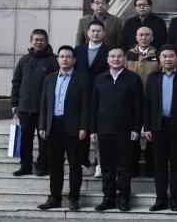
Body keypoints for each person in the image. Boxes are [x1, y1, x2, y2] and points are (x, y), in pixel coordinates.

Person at [89, 48, 143, 212]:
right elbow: (93, 106)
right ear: (107, 60)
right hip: (104, 130)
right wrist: (93, 129)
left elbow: (139, 105)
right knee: (107, 167)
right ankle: (108, 198)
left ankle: (123, 198)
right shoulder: (100, 79)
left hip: (125, 131)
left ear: (124, 59)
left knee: (124, 167)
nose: (116, 59)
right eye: (112, 56)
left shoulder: (133, 79)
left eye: (119, 56)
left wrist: (136, 128)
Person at [143, 45, 177, 212]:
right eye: (164, 56)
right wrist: (147, 126)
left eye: (171, 56)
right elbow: (147, 103)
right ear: (160, 58)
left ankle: (175, 199)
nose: (168, 59)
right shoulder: (153, 77)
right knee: (159, 165)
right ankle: (160, 199)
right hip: (158, 126)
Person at [36, 45, 87, 211]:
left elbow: (86, 105)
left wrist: (83, 126)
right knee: (55, 165)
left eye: (68, 56)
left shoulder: (82, 78)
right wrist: (42, 125)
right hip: (53, 126)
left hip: (73, 127)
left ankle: (73, 198)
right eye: (62, 56)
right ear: (57, 59)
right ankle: (55, 198)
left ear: (74, 60)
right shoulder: (49, 78)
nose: (65, 59)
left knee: (74, 165)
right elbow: (44, 103)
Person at [11, 29, 57, 177]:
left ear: (47, 41)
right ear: (31, 41)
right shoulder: (24, 60)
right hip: (25, 107)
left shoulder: (53, 60)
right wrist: (14, 103)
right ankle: (25, 166)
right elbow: (16, 82)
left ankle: (43, 166)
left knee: (44, 139)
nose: (39, 42)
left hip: (45, 109)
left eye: (42, 40)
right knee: (26, 138)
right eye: (36, 39)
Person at [74, 20, 108, 175]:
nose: (95, 33)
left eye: (99, 31)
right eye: (93, 31)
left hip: (102, 93)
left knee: (98, 129)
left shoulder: (109, 51)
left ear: (104, 33)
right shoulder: (78, 50)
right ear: (87, 33)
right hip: (81, 93)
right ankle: (83, 162)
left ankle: (99, 163)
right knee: (82, 127)